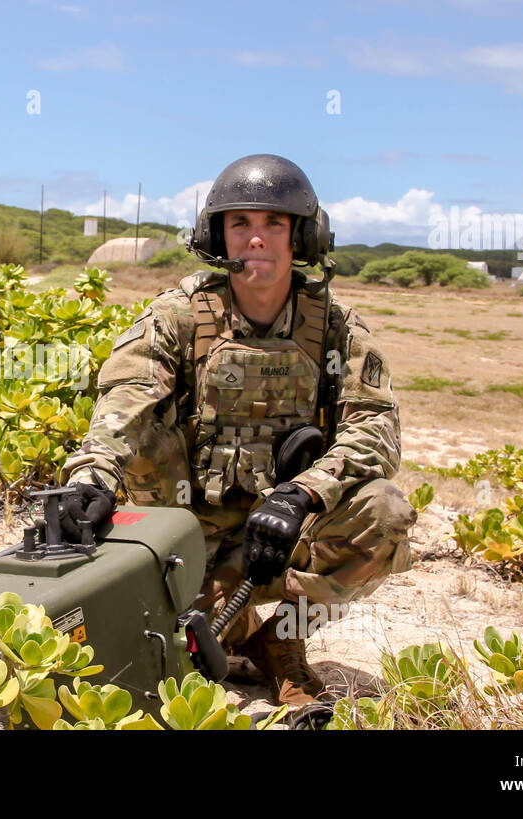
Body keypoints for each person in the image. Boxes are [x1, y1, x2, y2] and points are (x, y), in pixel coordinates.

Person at [58, 154, 418, 707]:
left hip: (287, 527)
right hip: (187, 534)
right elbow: (123, 405)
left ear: (302, 236)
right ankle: (240, 628)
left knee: (386, 512)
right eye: (241, 223)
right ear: (217, 235)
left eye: (274, 224)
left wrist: (304, 493)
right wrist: (91, 475)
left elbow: (375, 428)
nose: (257, 239)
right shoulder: (177, 317)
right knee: (169, 664)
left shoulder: (337, 329)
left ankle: (285, 640)